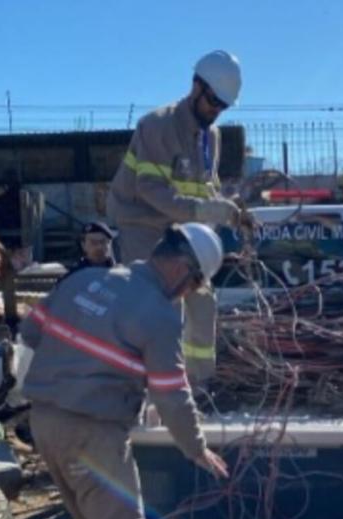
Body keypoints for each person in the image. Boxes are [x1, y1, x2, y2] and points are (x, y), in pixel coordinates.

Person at [21, 223, 231, 519]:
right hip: (92, 433)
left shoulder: (82, 280)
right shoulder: (158, 313)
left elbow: (30, 332)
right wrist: (196, 450)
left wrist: (83, 363)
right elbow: (174, 397)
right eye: (195, 283)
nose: (190, 293)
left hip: (45, 423)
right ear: (181, 267)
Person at [106, 50, 246, 383]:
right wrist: (201, 210)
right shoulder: (158, 125)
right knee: (161, 305)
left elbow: (204, 190)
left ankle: (197, 385)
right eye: (213, 101)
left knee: (202, 302)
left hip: (181, 230)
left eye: (223, 106)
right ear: (196, 86)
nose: (216, 111)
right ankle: (149, 388)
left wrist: (228, 209)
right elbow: (149, 190)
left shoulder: (212, 137)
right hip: (141, 223)